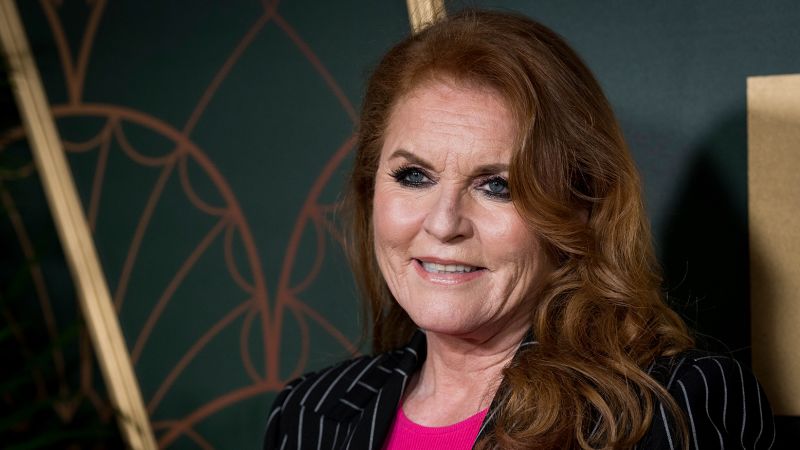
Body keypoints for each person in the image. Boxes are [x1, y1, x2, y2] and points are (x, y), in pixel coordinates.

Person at [263, 9, 774, 450]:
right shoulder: (308, 412)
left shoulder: (672, 404)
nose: (443, 223)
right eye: (414, 176)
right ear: (370, 188)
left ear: (578, 209)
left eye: (497, 186)